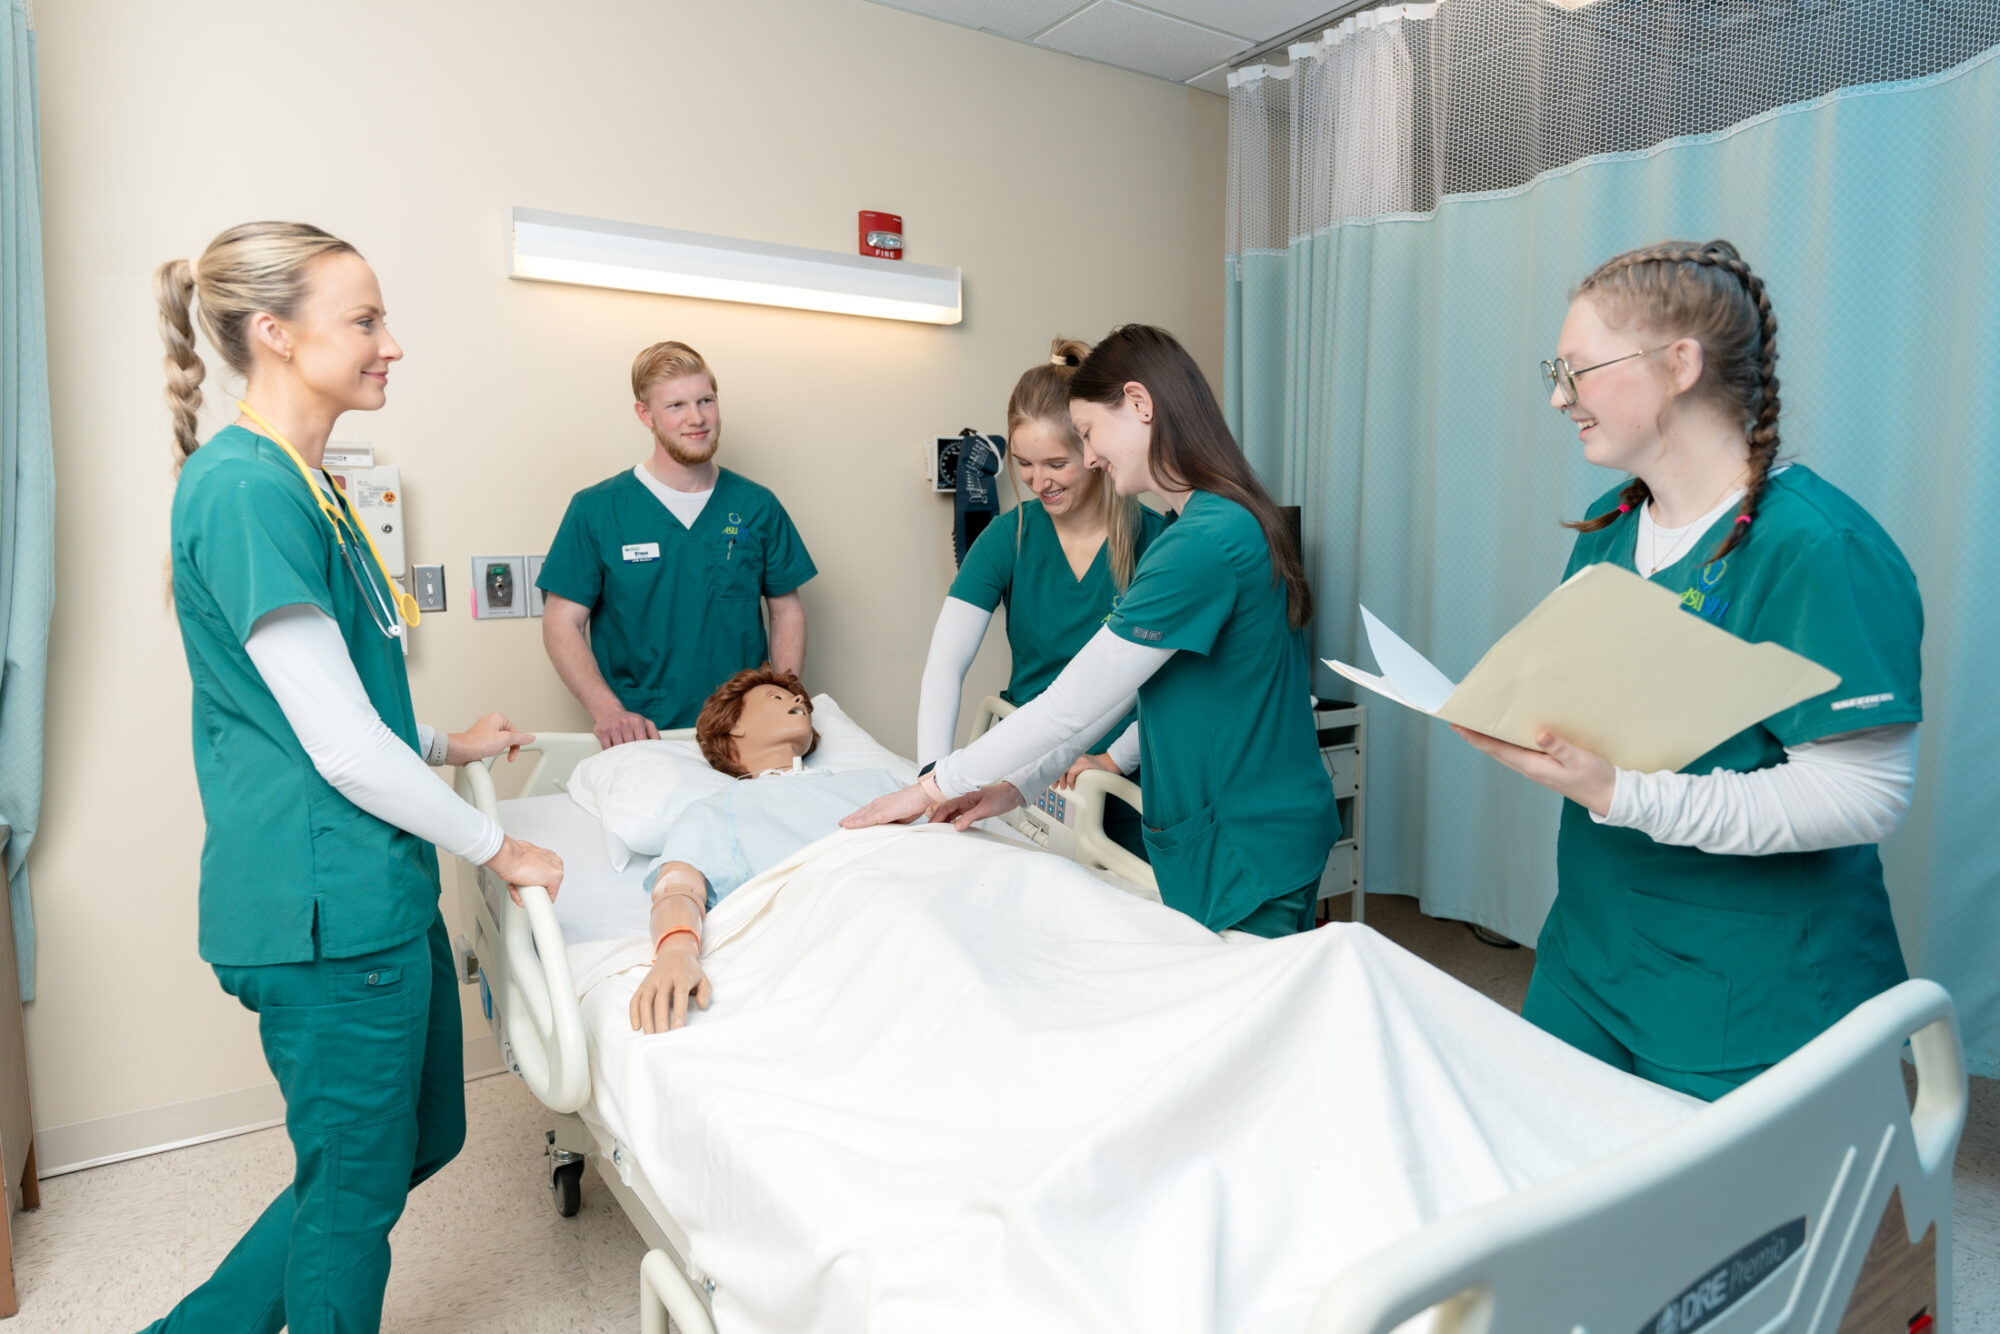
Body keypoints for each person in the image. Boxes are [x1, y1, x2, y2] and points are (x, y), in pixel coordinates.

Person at [146, 222, 565, 1333]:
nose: (393, 344)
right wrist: (499, 845)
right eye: (366, 319)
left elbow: (335, 702)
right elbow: (334, 745)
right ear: (274, 334)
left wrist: (444, 745)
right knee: (352, 1191)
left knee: (422, 1136)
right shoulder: (245, 489)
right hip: (322, 905)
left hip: (367, 885)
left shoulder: (310, 484)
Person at [1453, 239, 1921, 1101]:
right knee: (1559, 1186)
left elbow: (1866, 795)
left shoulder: (1819, 547)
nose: (1559, 397)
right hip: (1598, 940)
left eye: (1581, 370)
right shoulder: (1614, 521)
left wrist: (1623, 794)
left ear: (1678, 364)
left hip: (1752, 978)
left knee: (1723, 1232)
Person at [845, 325, 1340, 938]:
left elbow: (1070, 706)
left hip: (1248, 839)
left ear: (1139, 404)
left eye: (1085, 436)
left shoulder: (1200, 545)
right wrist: (1014, 788)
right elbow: (1099, 704)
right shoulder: (1214, 523)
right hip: (1233, 830)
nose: (1092, 457)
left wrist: (931, 788)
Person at [916, 337, 1165, 853]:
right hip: (1024, 763)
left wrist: (1112, 761)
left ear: (1094, 451)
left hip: (1123, 771)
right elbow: (945, 665)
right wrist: (931, 777)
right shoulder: (1010, 537)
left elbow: (1172, 680)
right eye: (1024, 465)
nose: (1038, 482)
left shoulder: (1158, 542)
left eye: (1056, 463)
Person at [537, 341, 817, 747]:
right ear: (645, 414)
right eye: (676, 406)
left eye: (706, 400)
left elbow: (787, 610)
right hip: (642, 734)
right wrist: (608, 711)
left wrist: (784, 700)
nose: (697, 418)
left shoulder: (756, 505)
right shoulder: (597, 509)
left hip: (744, 731)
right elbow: (561, 622)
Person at [629, 666, 901, 1033]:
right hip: (854, 913)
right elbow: (678, 886)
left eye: (799, 698)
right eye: (778, 698)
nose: (798, 700)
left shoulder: (878, 781)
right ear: (735, 725)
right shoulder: (717, 808)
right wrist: (676, 950)